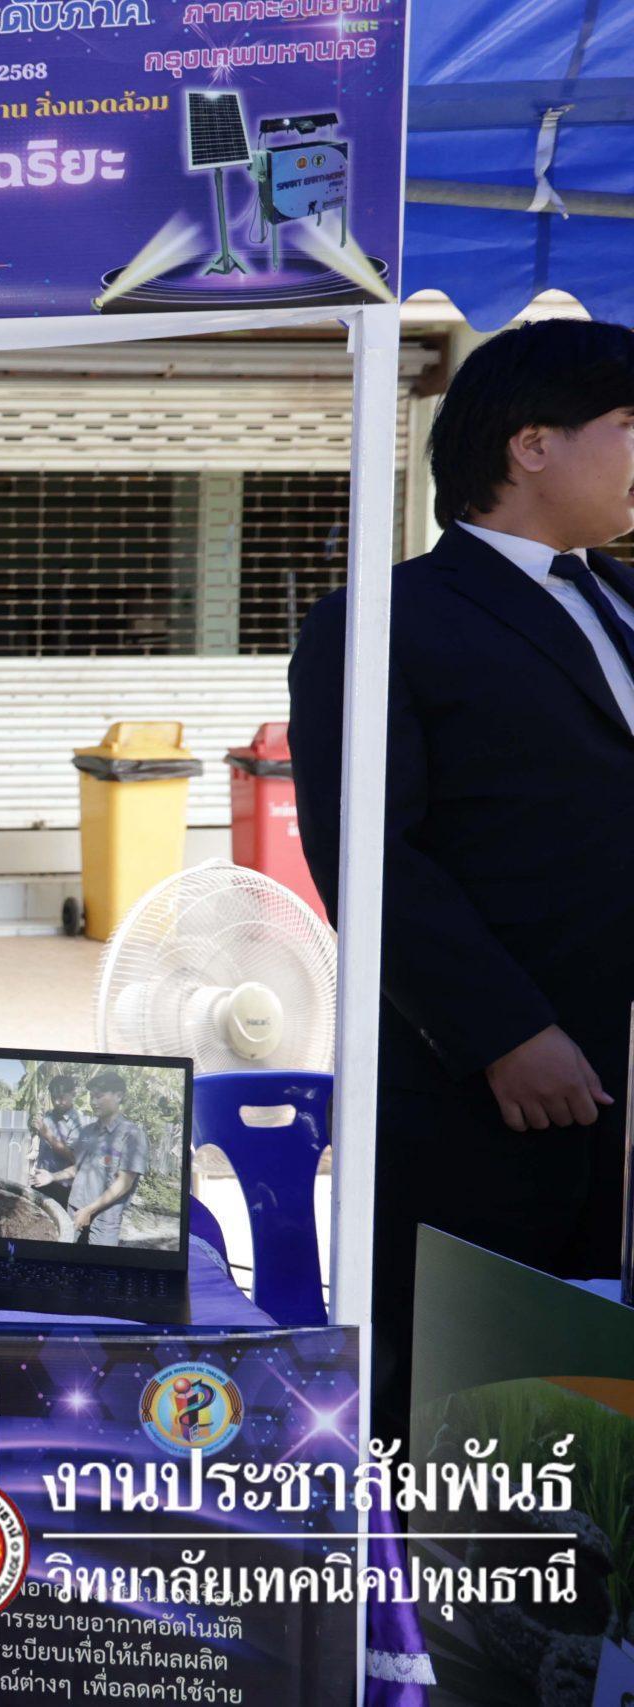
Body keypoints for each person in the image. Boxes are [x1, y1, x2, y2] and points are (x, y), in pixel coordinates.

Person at [290, 319, 634, 1438]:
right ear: (531, 445)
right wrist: (502, 1032)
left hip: (623, 1103)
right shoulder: (383, 621)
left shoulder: (622, 602)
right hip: (486, 1106)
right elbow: (367, 853)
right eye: (629, 424)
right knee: (471, 1419)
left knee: (604, 1438)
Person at [31, 1068, 144, 1246]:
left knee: (96, 1260)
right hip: (74, 1209)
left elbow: (124, 1183)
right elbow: (79, 1167)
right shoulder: (87, 1132)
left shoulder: (132, 1135)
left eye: (99, 1096)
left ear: (119, 1096)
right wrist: (52, 1176)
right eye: (91, 1096)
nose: (93, 1102)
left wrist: (90, 1210)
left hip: (104, 1219)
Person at [30, 1071, 83, 1211]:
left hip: (61, 1187)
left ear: (73, 1094)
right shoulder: (47, 1116)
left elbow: (73, 1157)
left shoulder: (77, 1123)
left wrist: (47, 1134)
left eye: (61, 1097)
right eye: (54, 1098)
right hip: (40, 1179)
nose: (57, 1102)